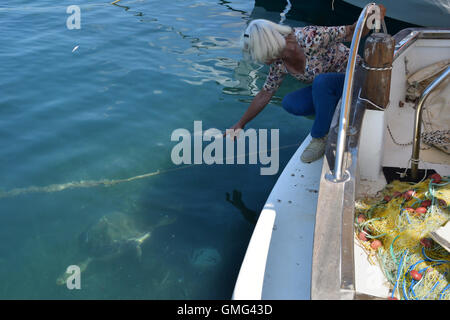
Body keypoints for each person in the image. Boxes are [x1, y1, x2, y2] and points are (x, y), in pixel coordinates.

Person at [226, 6, 385, 163]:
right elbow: (265, 93)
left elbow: (352, 32)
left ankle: (320, 137)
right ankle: (332, 117)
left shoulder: (311, 37)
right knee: (290, 103)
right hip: (329, 91)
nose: (259, 59)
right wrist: (241, 123)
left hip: (355, 80)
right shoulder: (279, 62)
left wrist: (372, 16)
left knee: (322, 81)